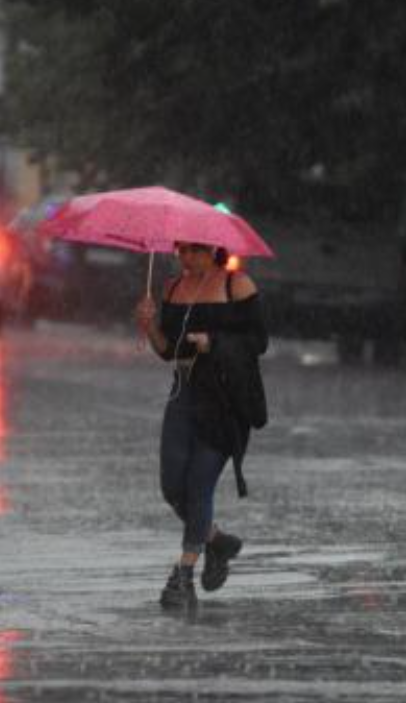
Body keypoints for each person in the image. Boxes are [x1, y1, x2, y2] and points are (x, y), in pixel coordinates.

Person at [134, 242, 269, 610]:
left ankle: (182, 575)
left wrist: (214, 342)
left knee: (199, 485)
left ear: (213, 249)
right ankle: (217, 540)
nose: (186, 258)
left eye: (194, 250)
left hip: (226, 401)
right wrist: (148, 327)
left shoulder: (237, 285)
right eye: (181, 250)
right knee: (172, 486)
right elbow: (168, 351)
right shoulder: (173, 288)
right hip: (184, 396)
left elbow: (259, 342)